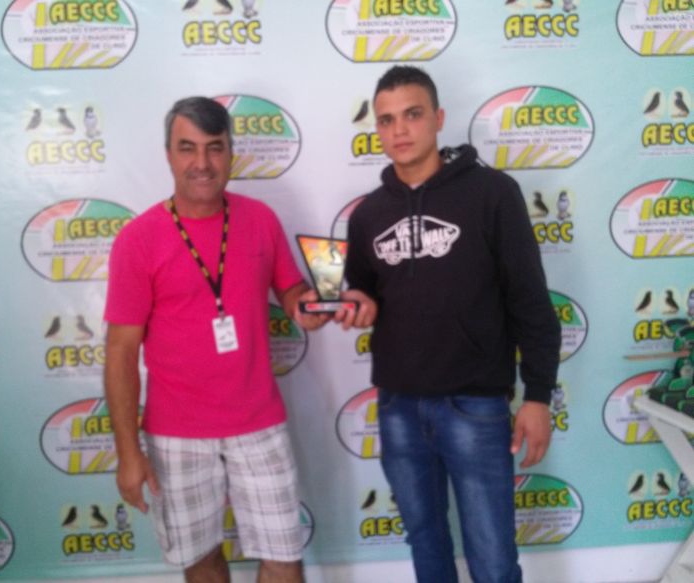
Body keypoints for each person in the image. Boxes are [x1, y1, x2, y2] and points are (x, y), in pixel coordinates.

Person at [342, 66, 562, 583]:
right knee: (426, 546)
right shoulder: (368, 215)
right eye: (386, 120)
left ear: (438, 118)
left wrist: (538, 396)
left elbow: (530, 301)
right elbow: (363, 293)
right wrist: (354, 305)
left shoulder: (492, 194)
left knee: (492, 557)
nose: (399, 130)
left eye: (413, 114)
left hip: (475, 405)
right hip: (397, 406)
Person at [104, 96, 329, 583]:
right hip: (175, 433)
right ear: (168, 154)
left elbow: (291, 290)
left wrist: (308, 308)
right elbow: (120, 352)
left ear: (231, 152)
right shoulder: (138, 240)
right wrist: (128, 452)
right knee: (202, 562)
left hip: (258, 422)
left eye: (215, 147)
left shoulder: (260, 219)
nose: (202, 163)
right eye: (188, 148)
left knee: (284, 560)